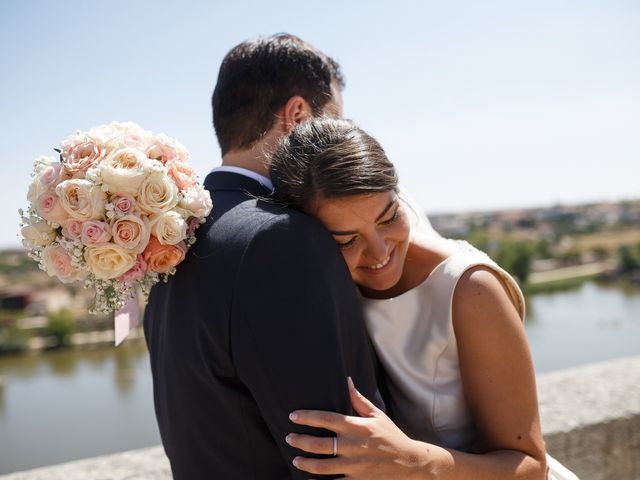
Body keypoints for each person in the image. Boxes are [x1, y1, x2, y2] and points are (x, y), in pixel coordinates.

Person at [270, 118, 579, 479]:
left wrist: (411, 460)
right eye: (347, 241)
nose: (379, 252)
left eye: (389, 218)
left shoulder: (471, 288)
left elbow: (530, 468)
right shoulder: (320, 285)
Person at [143, 34, 384, 479]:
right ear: (297, 116)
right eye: (335, 122)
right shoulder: (281, 237)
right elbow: (337, 459)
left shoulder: (166, 242)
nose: (342, 140)